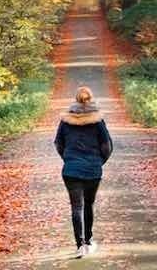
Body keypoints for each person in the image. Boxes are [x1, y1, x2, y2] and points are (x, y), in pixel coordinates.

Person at [54, 86, 113, 259]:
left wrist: (68, 160)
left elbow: (58, 143)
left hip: (71, 170)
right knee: (88, 204)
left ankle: (79, 245)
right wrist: (99, 162)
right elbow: (107, 146)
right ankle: (88, 241)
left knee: (76, 207)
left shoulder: (66, 121)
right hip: (93, 170)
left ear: (76, 100)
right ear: (91, 99)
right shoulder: (98, 122)